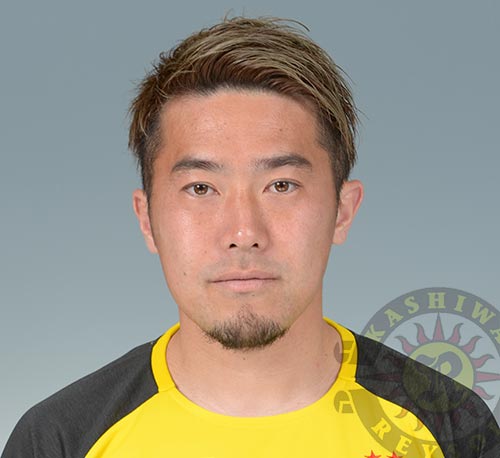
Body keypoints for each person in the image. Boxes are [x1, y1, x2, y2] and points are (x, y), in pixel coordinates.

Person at [2, 16, 499, 458]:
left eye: (281, 185)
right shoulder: (61, 440)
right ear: (147, 219)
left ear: (342, 211)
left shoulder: (451, 430)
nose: (243, 233)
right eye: (201, 188)